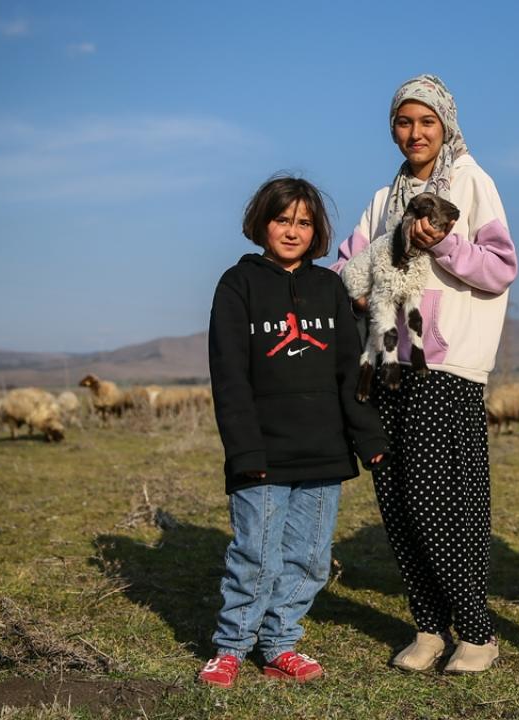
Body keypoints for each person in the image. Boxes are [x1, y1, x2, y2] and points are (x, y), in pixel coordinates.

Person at [332, 74, 517, 674]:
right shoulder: (384, 198)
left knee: (441, 498)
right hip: (388, 365)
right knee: (396, 498)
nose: (415, 133)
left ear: (446, 125)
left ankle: (478, 631)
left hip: (447, 364)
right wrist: (357, 292)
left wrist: (438, 246)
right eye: (404, 122)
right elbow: (346, 266)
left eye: (426, 122)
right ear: (393, 128)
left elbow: (499, 266)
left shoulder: (471, 181)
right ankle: (430, 626)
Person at [199, 175, 388, 688]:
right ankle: (232, 646)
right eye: (283, 220)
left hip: (324, 451)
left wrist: (367, 438)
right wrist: (244, 449)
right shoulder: (237, 285)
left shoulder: (329, 288)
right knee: (255, 552)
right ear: (262, 222)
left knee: (308, 556)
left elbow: (351, 371)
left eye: (304, 222)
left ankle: (281, 641)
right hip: (262, 450)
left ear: (317, 231)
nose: (292, 231)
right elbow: (229, 375)